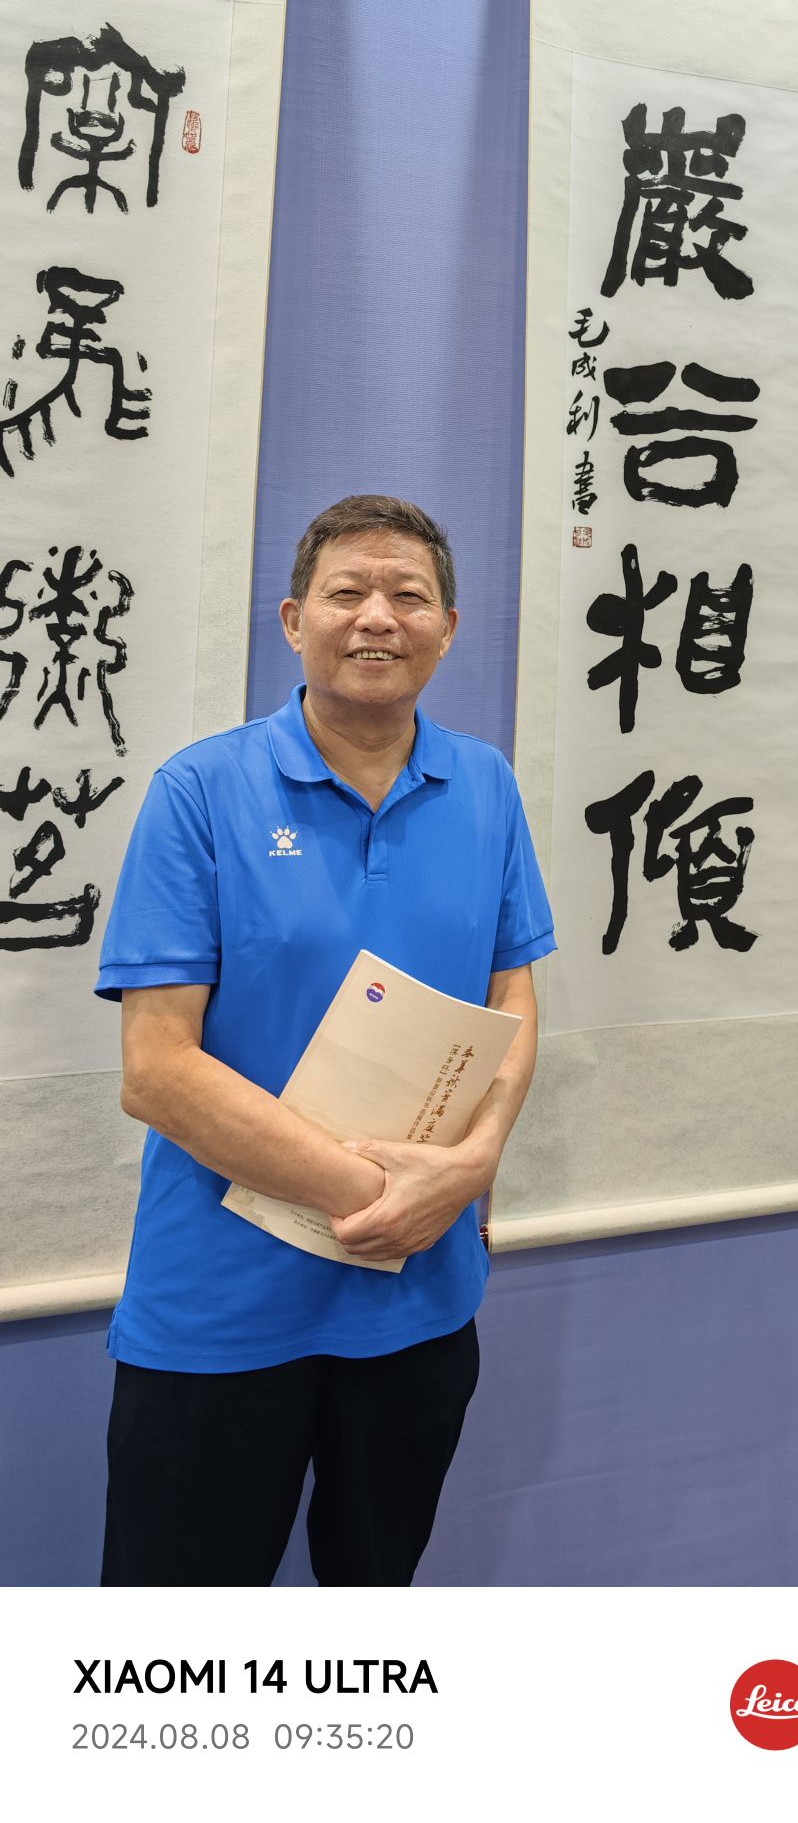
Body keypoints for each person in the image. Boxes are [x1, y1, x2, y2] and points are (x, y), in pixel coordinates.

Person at [96, 493, 553, 1586]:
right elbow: (157, 1072)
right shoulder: (200, 791)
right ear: (295, 621)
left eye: (409, 595)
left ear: (449, 628)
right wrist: (381, 1196)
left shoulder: (485, 784)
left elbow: (513, 993)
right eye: (347, 592)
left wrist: (476, 1165)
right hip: (223, 1303)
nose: (378, 617)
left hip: (418, 1303)